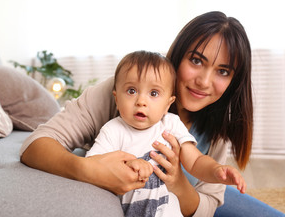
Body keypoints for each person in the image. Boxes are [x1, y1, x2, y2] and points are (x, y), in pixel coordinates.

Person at [20, 11, 282, 216]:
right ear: (178, 55)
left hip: (184, 193)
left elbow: (205, 206)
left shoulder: (212, 125)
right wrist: (88, 170)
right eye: (196, 60)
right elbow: (35, 145)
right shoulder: (126, 92)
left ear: (233, 81)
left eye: (223, 71)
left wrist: (178, 183)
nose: (204, 81)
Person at [85, 50, 246, 217]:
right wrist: (129, 163)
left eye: (154, 93)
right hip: (127, 209)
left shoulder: (171, 124)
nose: (141, 101)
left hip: (166, 208)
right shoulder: (113, 130)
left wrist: (216, 170)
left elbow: (196, 161)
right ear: (117, 98)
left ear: (168, 104)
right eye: (131, 91)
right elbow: (91, 164)